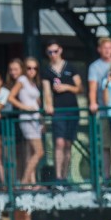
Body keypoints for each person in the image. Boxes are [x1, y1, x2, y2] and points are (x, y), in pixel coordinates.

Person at [42, 40, 83, 182]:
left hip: (72, 109)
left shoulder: (71, 67)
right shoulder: (47, 71)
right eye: (50, 52)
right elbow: (47, 91)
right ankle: (58, 177)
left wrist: (66, 87)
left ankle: (65, 177)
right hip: (58, 110)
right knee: (59, 143)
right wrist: (49, 105)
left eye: (55, 51)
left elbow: (80, 88)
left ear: (60, 50)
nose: (53, 54)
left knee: (68, 144)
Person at [8, 57, 43, 186]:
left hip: (36, 120)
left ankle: (32, 182)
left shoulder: (33, 83)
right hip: (27, 119)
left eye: (35, 68)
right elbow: (10, 97)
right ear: (24, 69)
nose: (32, 71)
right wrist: (24, 107)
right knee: (39, 152)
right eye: (29, 68)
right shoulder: (22, 80)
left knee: (31, 152)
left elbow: (37, 102)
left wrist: (42, 120)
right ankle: (24, 181)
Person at [87, 37, 111, 179]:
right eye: (105, 48)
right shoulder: (94, 67)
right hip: (105, 111)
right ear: (99, 49)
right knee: (106, 145)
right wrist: (93, 102)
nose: (107, 50)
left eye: (110, 47)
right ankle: (106, 176)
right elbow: (92, 87)